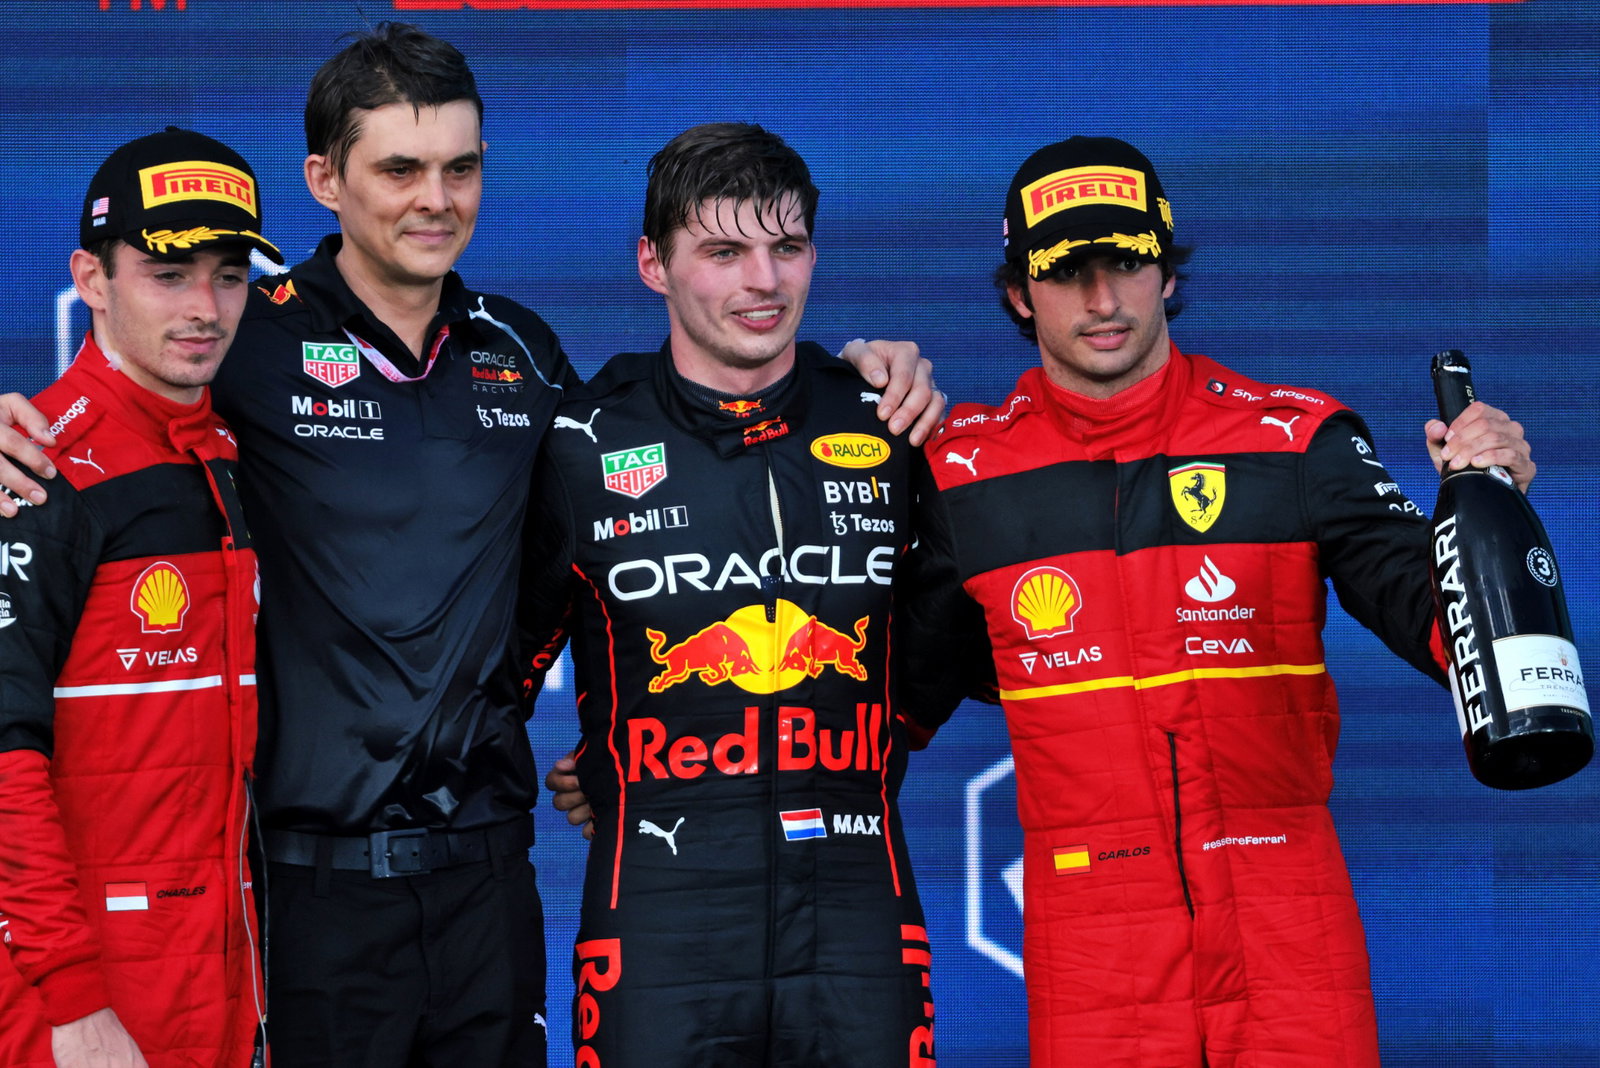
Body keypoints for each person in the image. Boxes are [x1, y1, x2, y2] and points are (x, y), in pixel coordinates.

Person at [0, 25, 939, 1068]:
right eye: (399, 168)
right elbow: (116, 404)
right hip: (310, 882)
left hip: (488, 872)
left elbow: (663, 474)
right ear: (324, 179)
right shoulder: (241, 333)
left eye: (460, 167)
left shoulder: (522, 349)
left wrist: (853, 369)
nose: (433, 198)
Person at [901, 135, 1535, 1067]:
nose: (1103, 300)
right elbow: (866, 715)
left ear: (1168, 270)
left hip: (1294, 953)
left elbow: (1450, 631)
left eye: (1127, 263)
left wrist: (1487, 505)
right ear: (1017, 292)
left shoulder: (1297, 438)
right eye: (1068, 272)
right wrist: (635, 765)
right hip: (1097, 975)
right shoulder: (961, 475)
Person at [519, 122, 938, 1068]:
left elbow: (943, 642)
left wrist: (873, 741)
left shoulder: (889, 419)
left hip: (857, 916)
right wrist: (610, 766)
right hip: (661, 924)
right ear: (652, 265)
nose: (764, 281)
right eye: (724, 251)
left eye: (786, 248)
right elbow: (493, 672)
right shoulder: (580, 441)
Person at [0, 127, 280, 1068]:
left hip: (225, 972)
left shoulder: (236, 456)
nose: (206, 308)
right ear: (90, 278)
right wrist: (72, 999)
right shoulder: (35, 472)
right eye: (169, 273)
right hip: (82, 994)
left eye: (229, 274)